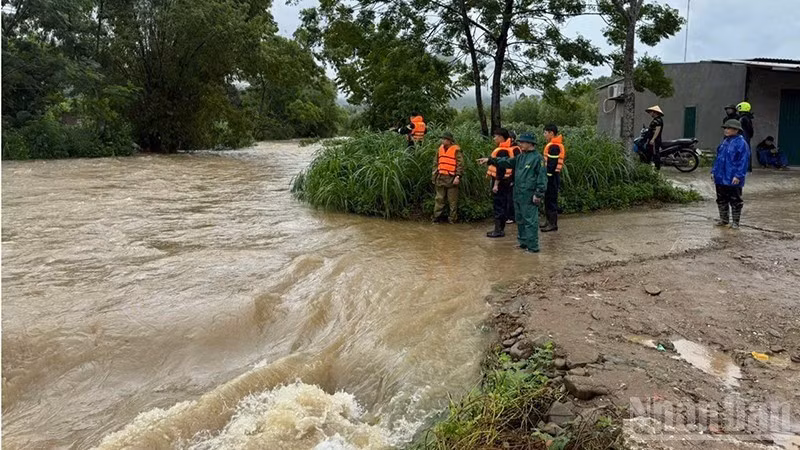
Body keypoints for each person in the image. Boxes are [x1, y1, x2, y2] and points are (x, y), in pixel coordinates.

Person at [478, 132, 547, 252]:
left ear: (530, 143)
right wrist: (490, 160)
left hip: (529, 195)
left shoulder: (537, 159)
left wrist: (539, 194)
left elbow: (542, 178)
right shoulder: (520, 157)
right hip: (518, 193)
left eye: (522, 142)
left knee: (530, 221)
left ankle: (533, 247)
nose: (520, 144)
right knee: (519, 219)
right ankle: (523, 243)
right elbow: (506, 161)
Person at [712, 119, 750, 229]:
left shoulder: (741, 143)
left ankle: (735, 222)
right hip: (720, 176)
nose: (726, 130)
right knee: (721, 198)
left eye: (729, 128)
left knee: (735, 200)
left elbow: (743, 162)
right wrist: (714, 171)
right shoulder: (724, 142)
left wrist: (738, 175)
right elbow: (718, 159)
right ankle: (724, 220)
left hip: (733, 177)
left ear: (736, 130)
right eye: (725, 128)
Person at [486, 128, 520, 237]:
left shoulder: (502, 150)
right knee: (505, 204)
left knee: (499, 205)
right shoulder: (514, 148)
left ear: (501, 137)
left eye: (495, 136)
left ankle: (498, 230)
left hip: (501, 181)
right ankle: (500, 229)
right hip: (509, 181)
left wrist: (496, 184)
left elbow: (500, 169)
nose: (494, 138)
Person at [432, 131, 464, 223]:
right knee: (439, 199)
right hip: (440, 177)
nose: (443, 141)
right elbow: (435, 164)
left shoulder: (456, 150)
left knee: (452, 201)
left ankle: (452, 219)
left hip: (452, 178)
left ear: (450, 141)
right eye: (442, 139)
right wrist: (434, 177)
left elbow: (460, 165)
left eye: (445, 139)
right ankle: (436, 218)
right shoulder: (440, 149)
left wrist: (457, 177)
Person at [541, 124, 565, 232]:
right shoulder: (552, 145)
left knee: (551, 200)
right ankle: (548, 221)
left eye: (545, 132)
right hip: (550, 176)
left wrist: (547, 177)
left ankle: (552, 224)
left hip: (552, 177)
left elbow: (552, 164)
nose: (544, 135)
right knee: (548, 199)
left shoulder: (554, 146)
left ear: (551, 133)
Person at [736, 102, 754, 172]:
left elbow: (749, 129)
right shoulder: (747, 118)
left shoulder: (743, 118)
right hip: (745, 136)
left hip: (744, 136)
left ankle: (746, 168)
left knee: (745, 152)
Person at [645, 105, 664, 170]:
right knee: (649, 153)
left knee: (655, 154)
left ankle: (657, 169)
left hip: (655, 141)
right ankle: (647, 167)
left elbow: (657, 130)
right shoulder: (655, 120)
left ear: (655, 112)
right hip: (652, 139)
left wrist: (653, 139)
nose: (650, 113)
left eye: (651, 112)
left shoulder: (658, 120)